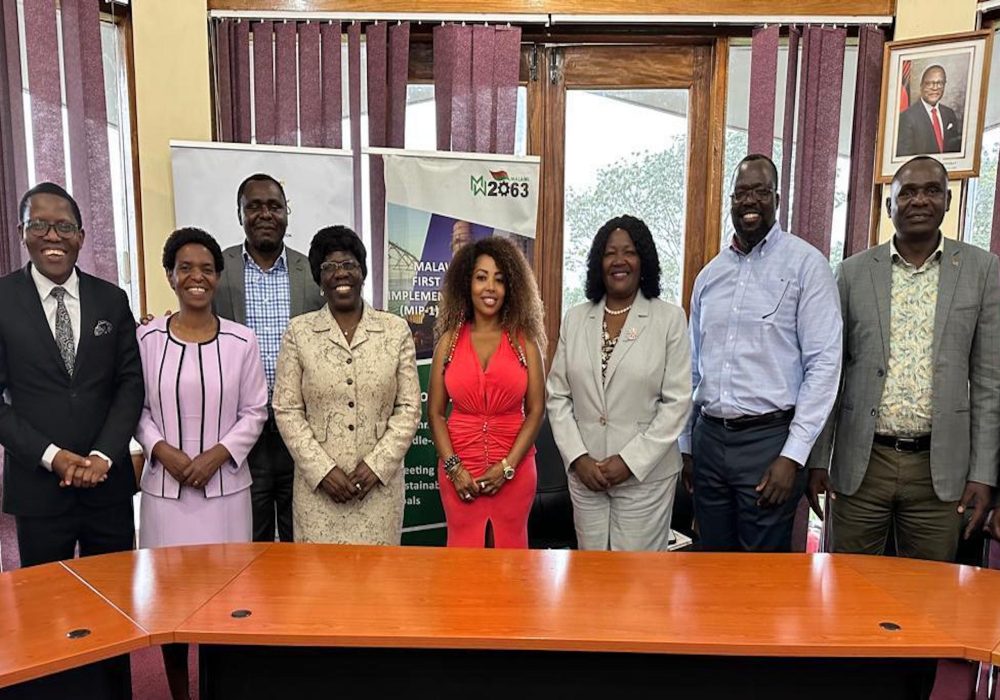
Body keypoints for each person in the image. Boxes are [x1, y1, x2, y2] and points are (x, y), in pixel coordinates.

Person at [808, 156, 999, 562]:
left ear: (948, 200)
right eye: (907, 192)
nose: (919, 201)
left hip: (940, 468)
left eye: (931, 191)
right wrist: (818, 458)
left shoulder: (982, 271)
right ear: (888, 205)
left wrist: (983, 474)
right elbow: (830, 372)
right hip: (863, 464)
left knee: (928, 598)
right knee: (848, 586)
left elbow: (988, 383)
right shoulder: (852, 273)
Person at [680, 154, 842, 553]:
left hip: (770, 444)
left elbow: (823, 365)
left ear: (777, 198)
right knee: (711, 563)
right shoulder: (709, 276)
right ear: (731, 201)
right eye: (741, 193)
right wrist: (686, 445)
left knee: (762, 574)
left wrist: (794, 455)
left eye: (760, 192)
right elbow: (692, 370)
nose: (749, 201)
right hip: (709, 441)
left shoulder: (807, 266)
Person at [136, 230, 266, 698]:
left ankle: (220, 687)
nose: (197, 277)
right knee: (170, 606)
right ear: (170, 275)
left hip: (226, 493)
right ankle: (177, 691)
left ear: (218, 276)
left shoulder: (241, 341)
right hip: (165, 496)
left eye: (207, 269)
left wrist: (216, 455)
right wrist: (164, 452)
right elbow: (136, 409)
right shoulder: (146, 338)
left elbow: (256, 410)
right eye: (186, 268)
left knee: (228, 601)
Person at [0, 182, 143, 567]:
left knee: (115, 603)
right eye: (39, 225)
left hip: (107, 486)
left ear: (80, 237)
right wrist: (53, 457)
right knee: (45, 608)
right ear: (21, 233)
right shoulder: (3, 300)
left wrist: (102, 456)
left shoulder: (112, 300)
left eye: (64, 227)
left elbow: (129, 384)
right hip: (38, 488)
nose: (52, 236)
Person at [546, 216, 691, 551]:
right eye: (610, 253)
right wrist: (578, 457)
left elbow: (678, 403)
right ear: (599, 262)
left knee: (638, 586)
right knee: (592, 579)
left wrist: (629, 461)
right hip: (588, 477)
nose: (619, 261)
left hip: (645, 478)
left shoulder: (669, 319)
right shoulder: (577, 318)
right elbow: (557, 396)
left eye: (629, 252)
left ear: (644, 260)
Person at [273, 226, 420, 544]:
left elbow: (408, 408)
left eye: (349, 264)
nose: (341, 273)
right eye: (329, 267)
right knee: (319, 589)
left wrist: (376, 466)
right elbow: (286, 410)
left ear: (363, 272)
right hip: (318, 495)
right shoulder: (299, 333)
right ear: (319, 278)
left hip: (379, 492)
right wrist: (323, 470)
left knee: (379, 587)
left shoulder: (395, 331)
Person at [213, 173, 324, 543]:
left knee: (300, 534)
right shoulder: (217, 270)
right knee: (251, 537)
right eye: (254, 206)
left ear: (286, 215)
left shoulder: (311, 272)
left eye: (274, 206)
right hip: (241, 431)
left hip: (301, 429)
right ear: (239, 213)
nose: (265, 214)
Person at [428, 236, 545, 548]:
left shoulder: (525, 343)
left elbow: (535, 411)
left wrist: (507, 467)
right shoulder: (448, 342)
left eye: (499, 279)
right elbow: (436, 413)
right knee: (464, 569)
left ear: (512, 288)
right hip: (459, 474)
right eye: (481, 278)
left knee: (511, 564)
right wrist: (454, 469)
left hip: (515, 471)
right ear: (467, 284)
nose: (490, 288)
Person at [897, 65, 963, 157]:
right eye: (929, 83)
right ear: (921, 86)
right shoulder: (907, 117)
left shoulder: (949, 114)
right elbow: (904, 158)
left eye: (939, 83)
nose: (935, 88)